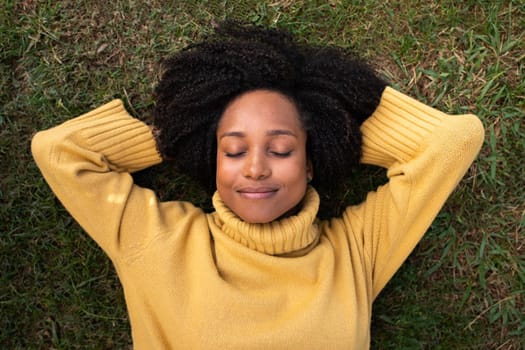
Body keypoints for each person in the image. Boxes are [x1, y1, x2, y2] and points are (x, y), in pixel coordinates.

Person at [32, 21, 484, 349]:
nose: (255, 169)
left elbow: (451, 142)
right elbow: (60, 151)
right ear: (212, 162)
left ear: (310, 164)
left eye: (282, 151)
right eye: (232, 151)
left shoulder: (357, 251)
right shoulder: (156, 241)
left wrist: (335, 132)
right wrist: (181, 130)